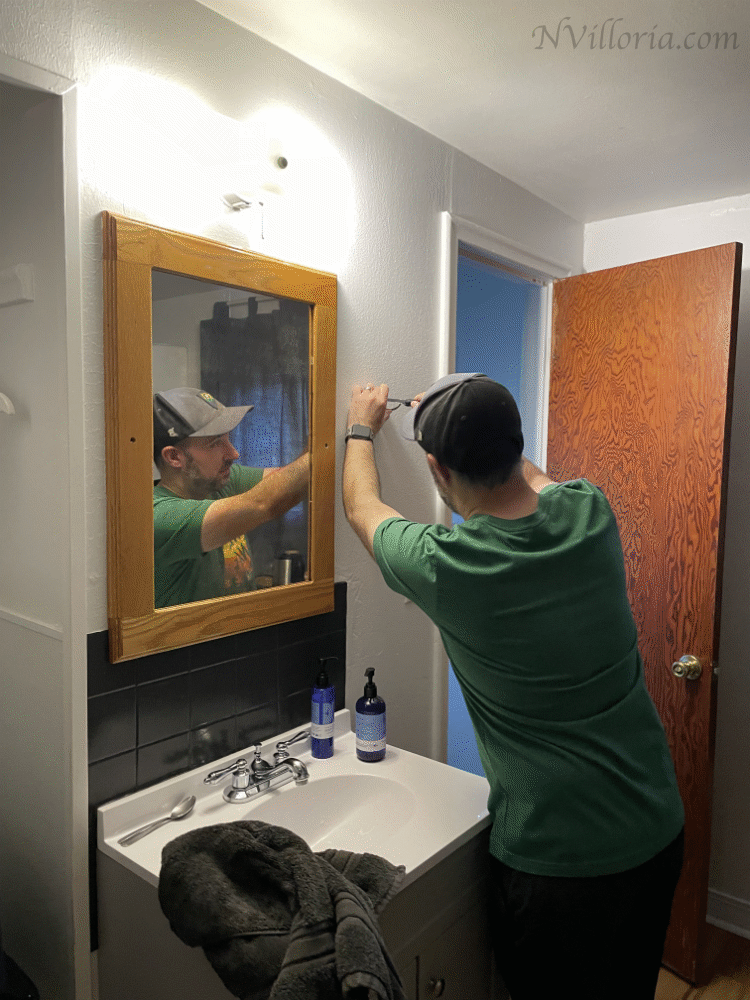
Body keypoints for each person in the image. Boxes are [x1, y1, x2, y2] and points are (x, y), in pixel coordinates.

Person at [342, 373, 685, 1000]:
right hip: (654, 829)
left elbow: (364, 509)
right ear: (515, 444)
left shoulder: (450, 566)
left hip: (559, 863)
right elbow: (533, 476)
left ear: (437, 471)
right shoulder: (589, 509)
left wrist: (362, 426)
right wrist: (469, 409)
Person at [153, 386, 309, 608]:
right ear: (174, 456)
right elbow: (265, 504)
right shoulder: (159, 515)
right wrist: (346, 433)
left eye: (228, 438)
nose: (234, 453)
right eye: (216, 443)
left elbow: (289, 482)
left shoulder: (217, 482)